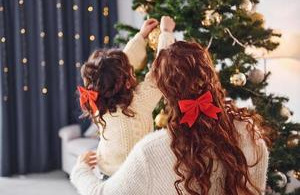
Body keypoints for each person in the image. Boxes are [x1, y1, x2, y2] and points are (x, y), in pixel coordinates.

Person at [71, 25, 269, 195]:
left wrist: (80, 170)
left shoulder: (151, 150)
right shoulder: (250, 133)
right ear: (210, 74)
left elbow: (100, 193)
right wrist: (164, 32)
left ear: (165, 91)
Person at [77, 17, 175, 178]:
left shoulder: (98, 102)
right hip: (134, 179)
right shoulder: (139, 103)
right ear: (126, 82)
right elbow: (160, 72)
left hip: (106, 173)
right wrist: (166, 33)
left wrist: (141, 36)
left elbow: (117, 66)